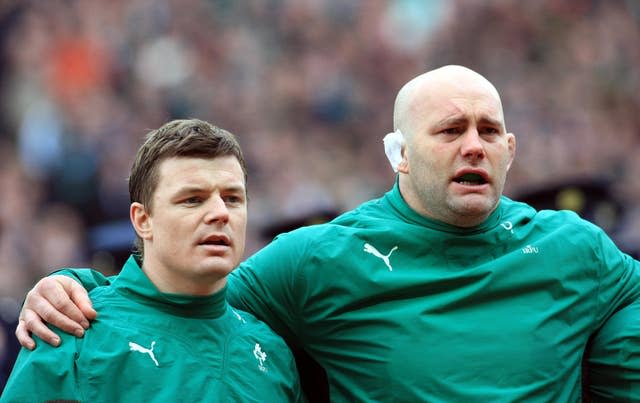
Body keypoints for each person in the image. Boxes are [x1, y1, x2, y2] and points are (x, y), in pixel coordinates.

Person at [14, 66, 640, 401]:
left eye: (487, 130)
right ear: (399, 153)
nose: (472, 145)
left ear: (511, 150)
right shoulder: (319, 259)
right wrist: (75, 285)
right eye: (449, 131)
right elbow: (187, 300)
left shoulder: (577, 249)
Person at [2, 119, 303, 402]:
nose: (221, 213)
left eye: (233, 199)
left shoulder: (274, 355)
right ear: (143, 220)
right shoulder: (70, 331)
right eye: (193, 199)